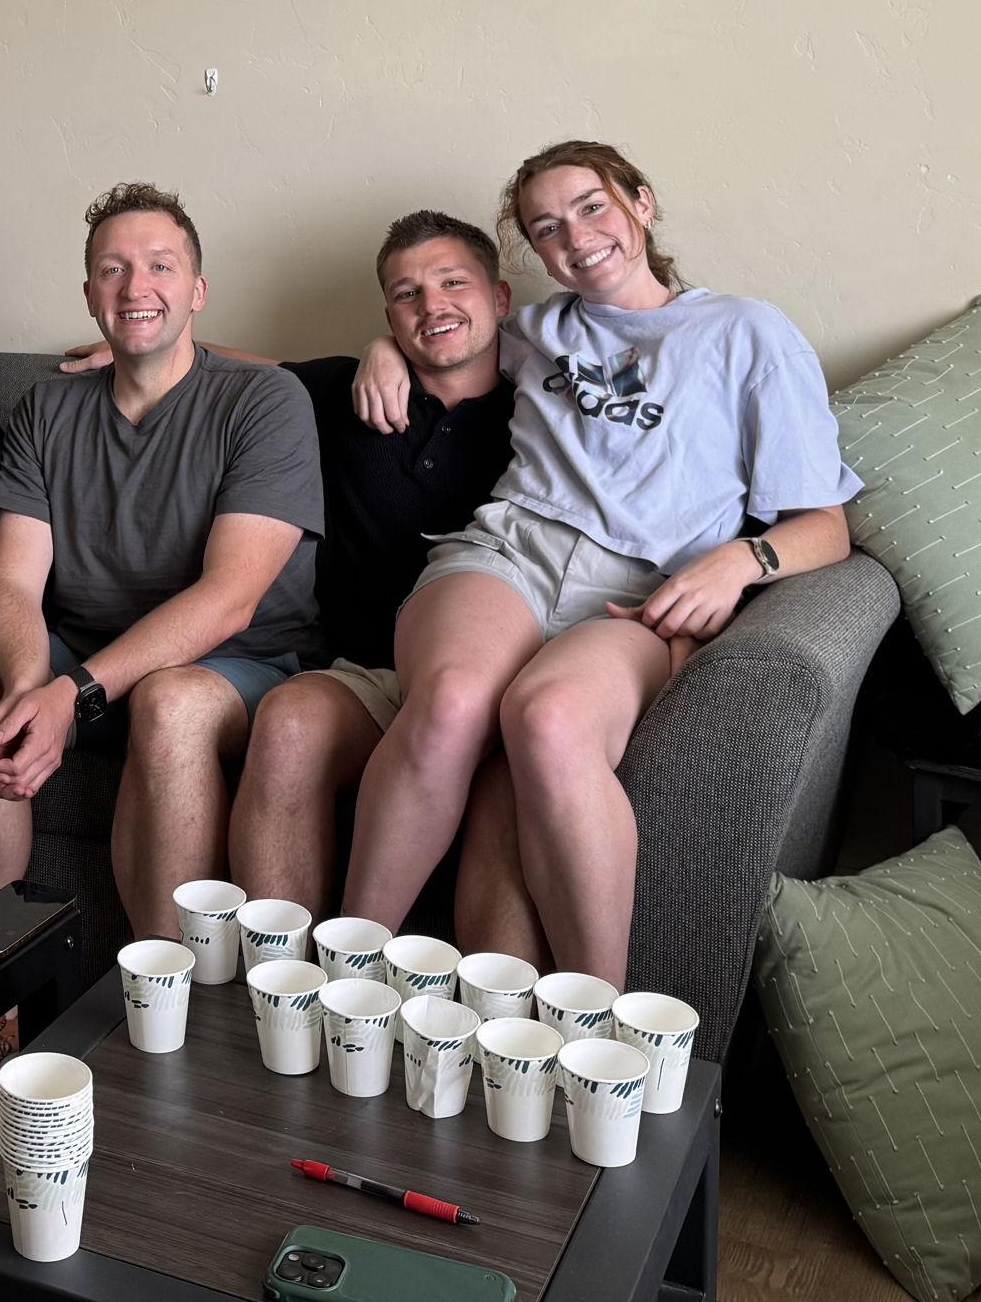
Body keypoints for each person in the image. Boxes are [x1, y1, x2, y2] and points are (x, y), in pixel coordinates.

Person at [345, 140, 859, 984]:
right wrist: (380, 345)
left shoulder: (745, 333)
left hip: (636, 590)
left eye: (590, 207)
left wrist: (742, 560)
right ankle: (345, 970)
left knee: (547, 720)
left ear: (640, 204)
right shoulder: (535, 330)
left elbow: (827, 526)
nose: (575, 239)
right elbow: (439, 330)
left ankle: (597, 1020)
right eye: (546, 229)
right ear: (535, 255)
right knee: (453, 702)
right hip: (508, 552)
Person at [0, 183, 323, 939]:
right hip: (84, 655)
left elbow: (230, 599)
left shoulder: (265, 400)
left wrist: (67, 695)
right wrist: (22, 689)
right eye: (112, 269)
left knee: (169, 702)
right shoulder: (48, 408)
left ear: (197, 289)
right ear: (88, 294)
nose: (136, 287)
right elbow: (10, 579)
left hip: (235, 663)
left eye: (160, 266)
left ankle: (165, 988)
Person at [224, 213, 515, 910]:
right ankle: (280, 995)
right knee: (288, 723)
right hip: (369, 674)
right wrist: (129, 350)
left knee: (506, 793)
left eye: (452, 283)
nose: (431, 305)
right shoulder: (344, 391)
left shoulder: (546, 411)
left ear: (500, 299)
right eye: (406, 294)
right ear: (388, 313)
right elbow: (240, 373)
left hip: (495, 679)